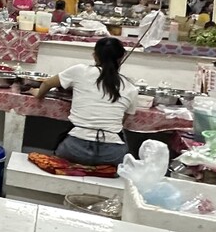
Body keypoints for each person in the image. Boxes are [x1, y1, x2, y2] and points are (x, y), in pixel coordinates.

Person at [29, 36, 137, 167]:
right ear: (121, 58)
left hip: (74, 149)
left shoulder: (80, 71)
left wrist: (38, 94)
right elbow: (121, 122)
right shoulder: (131, 88)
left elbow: (47, 83)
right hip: (112, 155)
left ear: (95, 56)